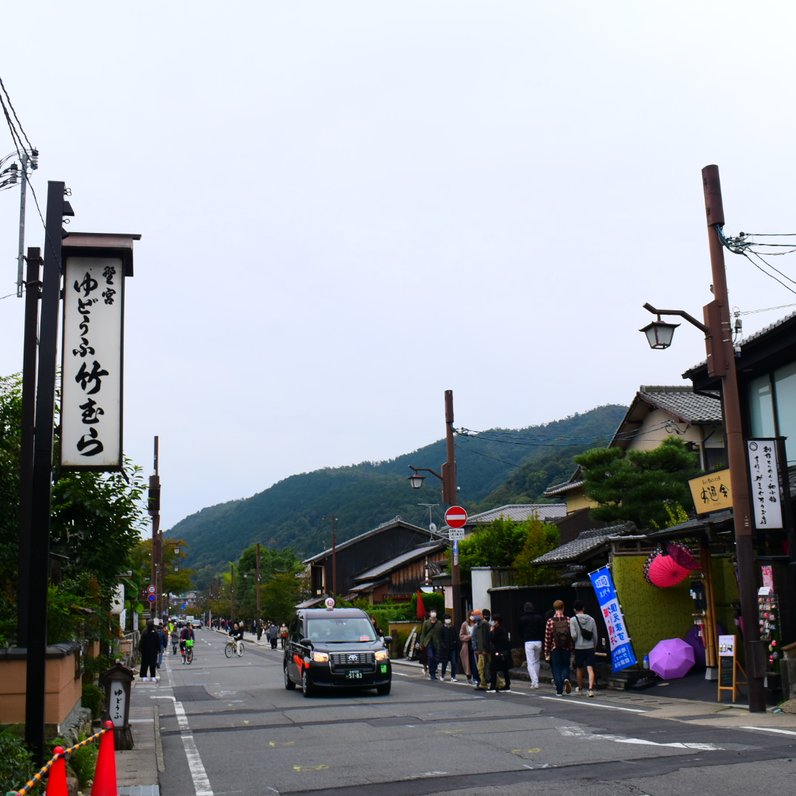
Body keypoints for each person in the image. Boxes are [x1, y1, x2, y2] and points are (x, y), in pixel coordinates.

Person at [544, 600, 573, 696]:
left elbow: (548, 637)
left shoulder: (550, 621)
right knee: (565, 665)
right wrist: (571, 647)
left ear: (554, 608)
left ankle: (559, 690)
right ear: (563, 607)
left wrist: (546, 651)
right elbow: (571, 635)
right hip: (566, 647)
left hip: (555, 648)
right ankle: (565, 678)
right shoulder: (568, 619)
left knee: (556, 668)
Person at [570, 600, 598, 697]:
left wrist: (576, 640)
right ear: (583, 608)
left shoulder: (573, 620)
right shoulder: (591, 619)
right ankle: (590, 689)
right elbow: (595, 636)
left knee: (579, 668)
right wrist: (594, 646)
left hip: (579, 647)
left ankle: (580, 688)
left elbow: (573, 636)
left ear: (574, 610)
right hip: (590, 647)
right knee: (590, 668)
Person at [519, 602, 545, 689]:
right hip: (538, 641)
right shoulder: (539, 618)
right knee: (537, 661)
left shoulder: (522, 619)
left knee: (530, 662)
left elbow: (520, 631)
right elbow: (542, 630)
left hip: (528, 641)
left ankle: (535, 682)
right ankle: (535, 680)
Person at [488, 614, 511, 692]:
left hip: (497, 652)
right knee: (504, 669)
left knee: (493, 669)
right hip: (504, 652)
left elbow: (492, 638)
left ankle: (493, 687)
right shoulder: (504, 629)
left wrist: (491, 631)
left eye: (494, 621)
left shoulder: (496, 630)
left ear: (497, 622)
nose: (493, 622)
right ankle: (507, 686)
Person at [418, 610, 443, 680]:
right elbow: (423, 634)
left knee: (436, 658)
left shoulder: (439, 623)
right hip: (428, 642)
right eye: (432, 617)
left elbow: (441, 633)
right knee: (431, 657)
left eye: (434, 617)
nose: (433, 619)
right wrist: (421, 643)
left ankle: (434, 672)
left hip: (437, 643)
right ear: (430, 616)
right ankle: (432, 673)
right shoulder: (426, 623)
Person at [474, 608, 492, 690]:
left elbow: (486, 638)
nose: (475, 617)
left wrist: (485, 649)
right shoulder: (479, 624)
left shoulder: (484, 624)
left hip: (485, 651)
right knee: (481, 668)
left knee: (487, 667)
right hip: (481, 650)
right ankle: (483, 683)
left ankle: (499, 683)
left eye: (476, 615)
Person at [438, 615, 458, 681]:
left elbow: (456, 637)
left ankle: (453, 676)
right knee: (445, 662)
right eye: (446, 619)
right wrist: (443, 645)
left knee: (454, 662)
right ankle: (442, 675)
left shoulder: (453, 628)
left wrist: (455, 643)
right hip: (445, 649)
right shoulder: (442, 628)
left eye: (449, 619)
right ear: (444, 620)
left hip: (453, 648)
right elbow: (440, 639)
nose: (448, 620)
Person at [458, 613, 475, 684]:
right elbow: (461, 635)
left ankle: (475, 677)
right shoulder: (464, 624)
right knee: (467, 662)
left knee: (474, 662)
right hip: (467, 645)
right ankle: (469, 676)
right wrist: (468, 637)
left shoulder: (476, 624)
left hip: (475, 645)